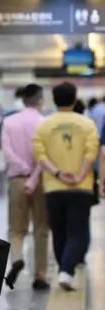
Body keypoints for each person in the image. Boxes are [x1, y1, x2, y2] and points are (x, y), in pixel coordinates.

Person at [32, 82, 99, 290]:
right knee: (78, 232)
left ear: (53, 99)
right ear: (74, 98)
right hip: (82, 186)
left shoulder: (43, 126)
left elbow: (40, 155)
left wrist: (59, 173)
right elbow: (91, 152)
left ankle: (64, 269)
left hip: (54, 187)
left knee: (59, 231)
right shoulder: (87, 124)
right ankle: (66, 271)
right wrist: (79, 175)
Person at [0, 84, 49, 290]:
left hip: (17, 179)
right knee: (41, 229)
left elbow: (7, 150)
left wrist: (23, 169)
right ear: (40, 100)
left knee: (16, 229)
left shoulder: (9, 121)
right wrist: (34, 175)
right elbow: (45, 155)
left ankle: (17, 259)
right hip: (40, 180)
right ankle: (39, 276)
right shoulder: (44, 123)